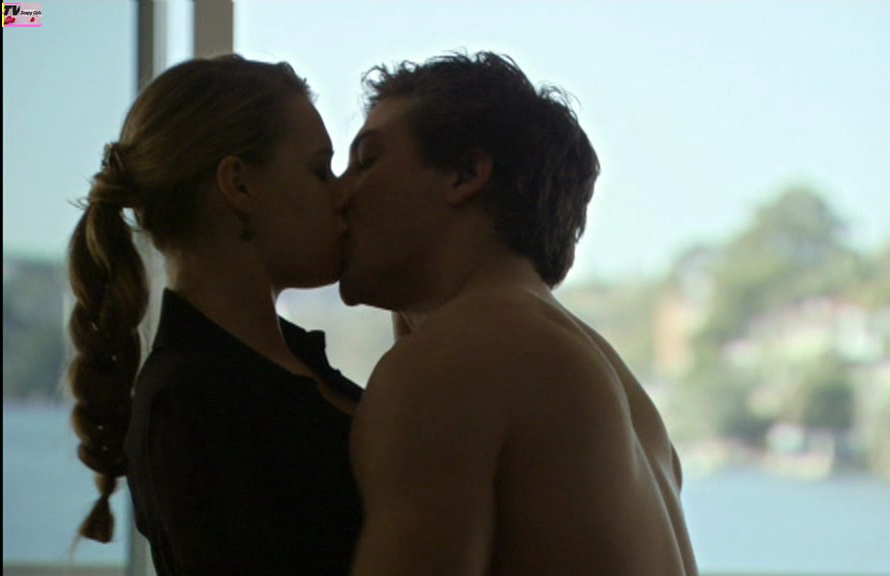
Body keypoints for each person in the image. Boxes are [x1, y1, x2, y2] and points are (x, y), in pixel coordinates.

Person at [338, 51, 699, 575]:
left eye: (367, 161)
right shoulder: (611, 385)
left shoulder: (454, 360)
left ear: (466, 174)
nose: (339, 194)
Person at [66, 54, 363, 574]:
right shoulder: (190, 404)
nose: (344, 195)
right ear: (239, 185)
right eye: (320, 170)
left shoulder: (283, 364)